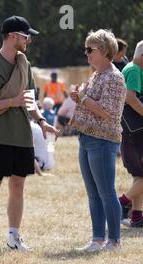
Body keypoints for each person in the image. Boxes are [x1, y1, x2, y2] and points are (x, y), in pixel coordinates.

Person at [0, 16, 59, 254]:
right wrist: (11, 101)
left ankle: (13, 237)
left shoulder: (25, 64)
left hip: (22, 136)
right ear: (13, 36)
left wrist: (42, 122)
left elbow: (30, 100)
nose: (28, 40)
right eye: (25, 36)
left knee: (18, 187)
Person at [69, 29, 127, 252]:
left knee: (106, 192)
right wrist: (81, 97)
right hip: (88, 138)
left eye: (89, 50)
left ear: (103, 51)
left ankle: (114, 241)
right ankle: (98, 239)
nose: (86, 54)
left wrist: (82, 97)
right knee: (94, 193)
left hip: (102, 140)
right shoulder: (97, 75)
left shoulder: (113, 77)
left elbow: (109, 112)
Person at [118, 40, 143, 227]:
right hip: (135, 132)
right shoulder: (134, 69)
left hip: (131, 131)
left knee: (138, 176)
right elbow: (131, 99)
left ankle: (136, 217)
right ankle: (121, 204)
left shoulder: (132, 68)